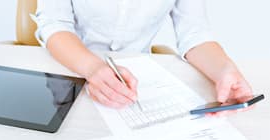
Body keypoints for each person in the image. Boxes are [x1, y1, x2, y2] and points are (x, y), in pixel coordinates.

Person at [34, 0, 252, 116]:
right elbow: (54, 24)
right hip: (70, 67)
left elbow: (194, 32)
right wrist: (93, 68)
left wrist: (225, 70)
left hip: (135, 81)